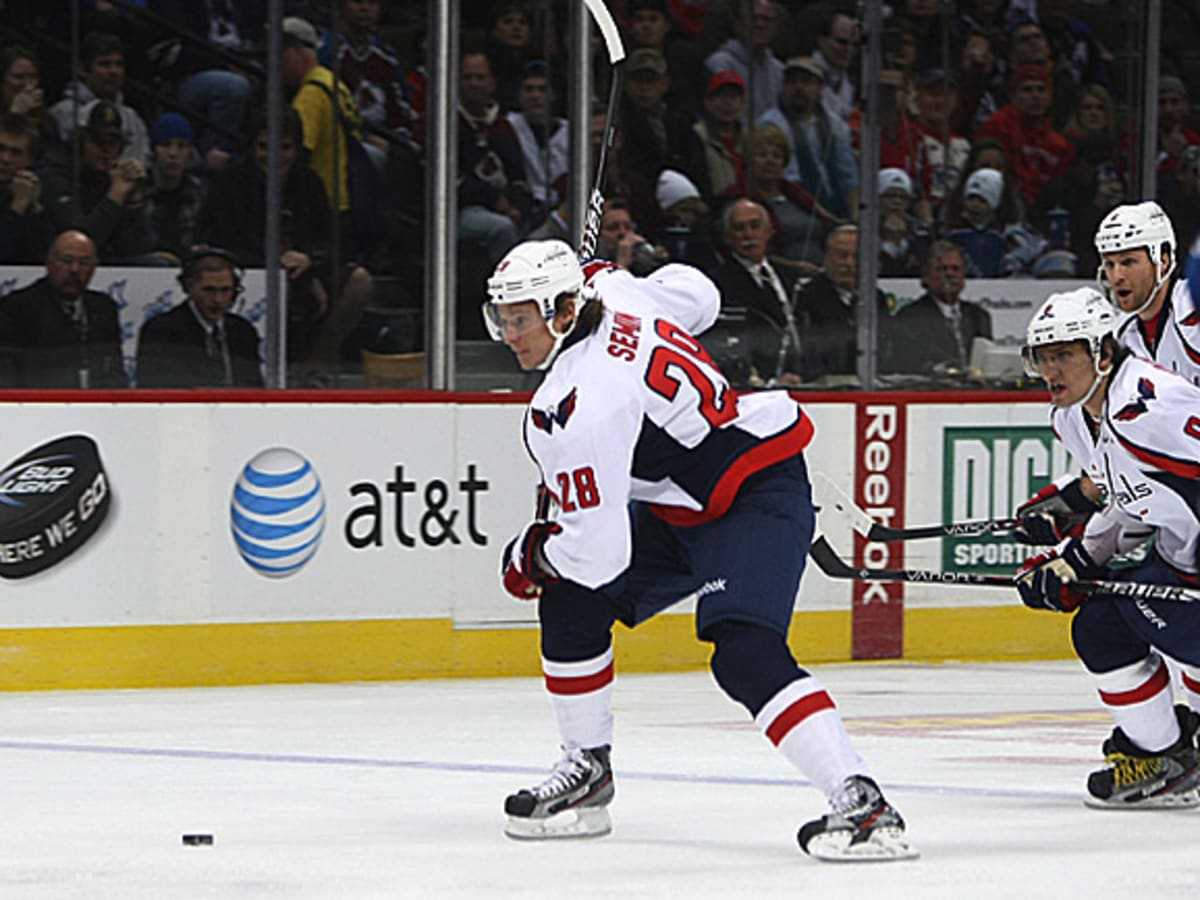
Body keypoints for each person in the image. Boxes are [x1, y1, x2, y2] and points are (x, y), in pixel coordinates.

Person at [483, 237, 916, 861]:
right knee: (571, 605)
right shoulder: (614, 292)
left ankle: (861, 802)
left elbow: (598, 556)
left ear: (561, 312)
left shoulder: (578, 405)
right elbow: (702, 296)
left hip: (754, 490)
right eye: (501, 316)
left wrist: (534, 555)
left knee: (743, 651)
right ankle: (588, 768)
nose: (507, 333)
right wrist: (623, 275)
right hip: (686, 500)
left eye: (519, 318)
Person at [1014, 286, 1200, 808]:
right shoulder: (1079, 414)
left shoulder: (1151, 406)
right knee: (1101, 627)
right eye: (1044, 357)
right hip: (1181, 562)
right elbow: (1131, 503)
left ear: (1101, 351)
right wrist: (1073, 561)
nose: (1052, 370)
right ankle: (1164, 756)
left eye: (1064, 354)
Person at [1013, 201, 1200, 544]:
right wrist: (1079, 497)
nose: (1117, 276)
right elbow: (1135, 452)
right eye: (1110, 263)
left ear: (1163, 260)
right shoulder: (1116, 337)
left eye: (1128, 261)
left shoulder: (1194, 312)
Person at [40, 100, 165, 267]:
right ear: (82, 142)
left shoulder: (113, 177)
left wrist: (134, 202)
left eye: (113, 143)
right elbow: (80, 240)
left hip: (105, 262)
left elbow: (139, 246)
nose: (106, 150)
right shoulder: (55, 173)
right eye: (99, 142)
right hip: (60, 263)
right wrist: (115, 196)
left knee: (157, 264)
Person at [0, 230, 125, 388]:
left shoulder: (104, 307)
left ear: (94, 267)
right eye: (66, 260)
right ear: (49, 263)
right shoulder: (17, 307)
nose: (74, 269)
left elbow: (115, 372)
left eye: (84, 262)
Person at [136, 247, 262, 388]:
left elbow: (254, 386)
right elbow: (154, 386)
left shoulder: (243, 331)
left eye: (225, 290)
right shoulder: (162, 330)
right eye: (209, 290)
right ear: (189, 287)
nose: (218, 299)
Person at [708, 197, 800, 385]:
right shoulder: (718, 283)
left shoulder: (788, 275)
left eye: (755, 226)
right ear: (727, 237)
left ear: (769, 231)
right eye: (739, 228)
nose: (748, 235)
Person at [757, 56, 858, 222]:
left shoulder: (834, 124)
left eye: (806, 82)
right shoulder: (771, 124)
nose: (799, 87)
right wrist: (825, 218)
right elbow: (790, 181)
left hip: (833, 207)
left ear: (820, 89)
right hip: (792, 208)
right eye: (792, 81)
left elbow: (848, 176)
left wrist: (854, 218)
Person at [793, 224, 893, 383]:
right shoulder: (806, 298)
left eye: (857, 257)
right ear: (826, 258)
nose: (849, 263)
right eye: (842, 255)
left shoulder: (875, 298)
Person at [889, 241, 992, 376]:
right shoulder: (909, 317)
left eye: (955, 269)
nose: (949, 274)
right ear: (926, 276)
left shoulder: (979, 317)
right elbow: (907, 365)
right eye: (941, 269)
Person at [48, 31, 150, 164]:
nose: (114, 71)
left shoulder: (133, 118)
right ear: (83, 70)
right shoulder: (63, 113)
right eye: (104, 64)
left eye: (119, 64)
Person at [505, 60, 568, 214]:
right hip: (523, 206)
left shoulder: (570, 131)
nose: (535, 95)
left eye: (542, 90)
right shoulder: (508, 125)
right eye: (528, 90)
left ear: (554, 95)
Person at [143, 112, 205, 261]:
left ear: (190, 152)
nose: (173, 153)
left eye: (181, 146)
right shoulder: (136, 190)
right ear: (153, 150)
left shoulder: (200, 193)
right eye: (165, 145)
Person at [0, 112, 51, 263]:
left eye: (16, 153)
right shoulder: (20, 200)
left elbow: (46, 257)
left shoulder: (38, 189)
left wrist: (35, 208)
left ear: (30, 159)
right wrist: (17, 208)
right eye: (1, 149)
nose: (5, 159)